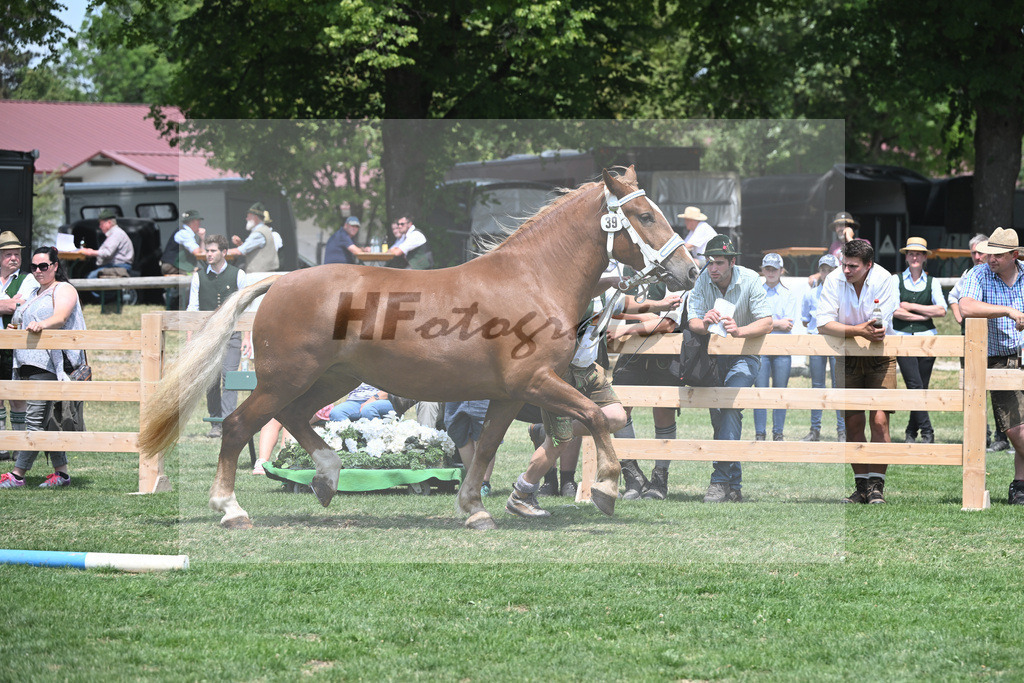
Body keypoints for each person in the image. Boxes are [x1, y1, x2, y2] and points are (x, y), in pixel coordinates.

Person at [506, 289, 629, 517]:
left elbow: (627, 301)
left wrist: (662, 304)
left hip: (590, 371)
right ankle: (520, 495)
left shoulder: (608, 292)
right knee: (559, 442)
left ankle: (547, 431)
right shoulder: (570, 291)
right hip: (562, 374)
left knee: (617, 417)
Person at [686, 234, 772, 503]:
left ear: (732, 262)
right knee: (720, 416)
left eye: (719, 263)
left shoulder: (750, 279)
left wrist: (739, 330)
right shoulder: (703, 279)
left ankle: (720, 480)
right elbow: (692, 321)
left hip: (745, 356)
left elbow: (767, 322)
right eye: (710, 262)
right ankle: (734, 486)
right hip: (713, 357)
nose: (713, 268)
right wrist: (704, 322)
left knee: (730, 406)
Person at [817, 239, 898, 504]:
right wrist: (858, 330)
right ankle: (861, 487)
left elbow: (878, 328)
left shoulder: (884, 279)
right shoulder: (833, 279)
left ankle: (877, 486)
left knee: (879, 420)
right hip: (846, 357)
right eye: (844, 264)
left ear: (868, 265)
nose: (846, 270)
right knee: (852, 423)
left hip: (881, 357)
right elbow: (823, 323)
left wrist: (852, 329)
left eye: (853, 266)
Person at [0, 247, 87, 489]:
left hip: (51, 365)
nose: (38, 271)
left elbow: (60, 318)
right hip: (28, 364)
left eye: (44, 266)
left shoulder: (63, 289)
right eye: (34, 267)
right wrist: (17, 329)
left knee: (35, 420)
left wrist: (42, 325)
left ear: (55, 266)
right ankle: (62, 474)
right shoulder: (35, 292)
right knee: (48, 421)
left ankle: (17, 475)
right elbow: (22, 319)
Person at [957, 227, 1024, 505]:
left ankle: (1020, 485)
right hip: (999, 359)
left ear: (1014, 255)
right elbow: (965, 307)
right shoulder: (979, 274)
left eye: (998, 255)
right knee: (1015, 428)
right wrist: (1008, 311)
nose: (990, 259)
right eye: (989, 253)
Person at [607, 282, 686, 501]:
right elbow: (612, 308)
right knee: (619, 410)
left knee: (663, 413)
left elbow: (669, 323)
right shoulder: (626, 273)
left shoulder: (675, 278)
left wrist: (628, 327)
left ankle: (660, 479)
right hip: (631, 352)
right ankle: (633, 476)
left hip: (666, 354)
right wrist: (644, 318)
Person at [949, 234, 1010, 451]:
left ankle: (1002, 436)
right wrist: (960, 317)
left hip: (1000, 342)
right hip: (974, 341)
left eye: (981, 252)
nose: (977, 256)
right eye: (973, 252)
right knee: (975, 390)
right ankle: (981, 435)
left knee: (1001, 389)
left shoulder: (1001, 275)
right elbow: (954, 297)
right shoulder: (971, 274)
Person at [187, 235, 249, 438]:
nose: (209, 254)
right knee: (211, 379)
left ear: (224, 252)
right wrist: (190, 337)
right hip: (207, 336)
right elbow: (192, 308)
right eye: (207, 250)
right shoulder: (198, 277)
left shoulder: (238, 274)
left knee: (229, 377)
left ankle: (228, 422)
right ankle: (216, 423)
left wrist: (247, 337)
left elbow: (246, 308)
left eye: (213, 251)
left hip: (232, 334)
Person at [892, 237, 948, 444]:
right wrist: (922, 316)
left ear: (925, 257)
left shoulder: (933, 282)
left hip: (927, 340)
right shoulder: (895, 280)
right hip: (902, 339)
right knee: (914, 385)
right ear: (906, 257)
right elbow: (894, 310)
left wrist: (911, 306)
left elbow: (941, 310)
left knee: (921, 387)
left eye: (918, 254)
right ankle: (927, 431)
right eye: (911, 254)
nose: (914, 257)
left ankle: (910, 432)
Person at [799, 254, 846, 442]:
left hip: (837, 342)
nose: (826, 273)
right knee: (817, 386)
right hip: (816, 342)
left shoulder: (843, 294)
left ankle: (842, 430)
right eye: (823, 270)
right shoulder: (811, 294)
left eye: (830, 270)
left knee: (839, 385)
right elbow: (805, 320)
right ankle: (814, 429)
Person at [753, 252, 799, 441]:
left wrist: (766, 323)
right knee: (760, 392)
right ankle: (760, 433)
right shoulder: (756, 293)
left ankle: (778, 433)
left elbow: (788, 324)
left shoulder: (788, 294)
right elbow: (755, 320)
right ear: (762, 270)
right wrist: (776, 323)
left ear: (781, 271)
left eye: (774, 269)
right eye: (767, 269)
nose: (771, 272)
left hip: (782, 348)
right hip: (761, 348)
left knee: (781, 392)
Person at [0, 231, 37, 460]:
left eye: (17, 254)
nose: (14, 258)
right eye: (8, 254)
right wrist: (8, 303)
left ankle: (19, 447)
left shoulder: (28, 279)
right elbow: (11, 305)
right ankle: (1, 446)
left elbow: (20, 307)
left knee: (17, 396)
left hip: (15, 347)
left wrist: (12, 304)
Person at [445, 400, 493, 496]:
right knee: (459, 435)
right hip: (455, 396)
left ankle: (484, 483)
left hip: (482, 395)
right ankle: (472, 482)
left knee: (485, 434)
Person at [79, 209, 135, 285]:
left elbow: (107, 253)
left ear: (109, 223)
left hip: (118, 267)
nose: (100, 227)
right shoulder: (115, 233)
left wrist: (91, 252)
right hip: (115, 266)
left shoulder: (116, 234)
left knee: (90, 278)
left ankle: (98, 293)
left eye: (101, 224)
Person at [227, 202, 279, 272]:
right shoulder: (263, 230)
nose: (246, 219)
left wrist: (220, 252)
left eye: (248, 216)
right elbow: (249, 250)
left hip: (260, 275)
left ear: (255, 217)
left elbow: (240, 251)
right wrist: (240, 244)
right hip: (264, 273)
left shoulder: (259, 233)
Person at [161, 210, 206, 275]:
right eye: (198, 221)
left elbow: (201, 252)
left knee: (201, 273)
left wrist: (202, 238)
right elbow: (197, 252)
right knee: (199, 275)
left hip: (180, 267)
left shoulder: (186, 232)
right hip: (172, 267)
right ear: (193, 222)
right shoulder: (184, 233)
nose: (200, 224)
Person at [327, 383, 395, 421]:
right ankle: (352, 439)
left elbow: (395, 386)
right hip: (354, 401)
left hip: (381, 400)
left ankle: (379, 439)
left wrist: (375, 398)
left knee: (368, 409)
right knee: (336, 412)